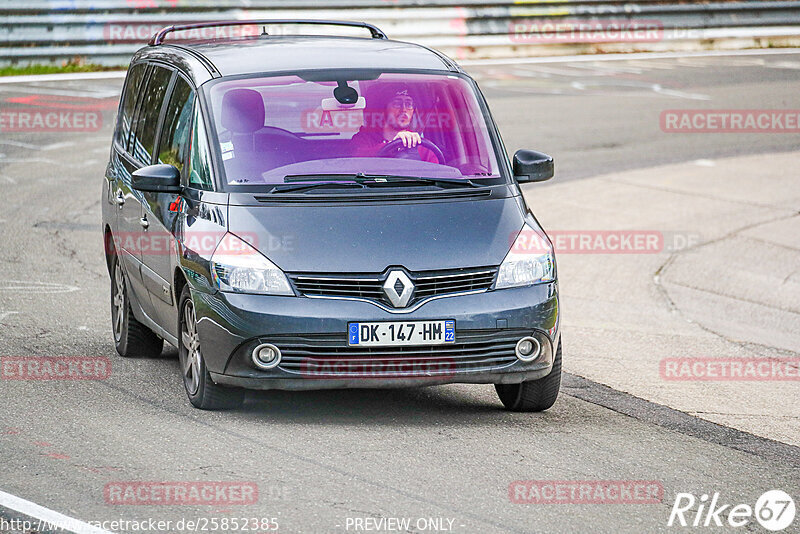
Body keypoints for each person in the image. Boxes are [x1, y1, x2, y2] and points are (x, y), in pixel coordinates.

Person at [350, 87, 439, 163]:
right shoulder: (364, 140)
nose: (404, 109)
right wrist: (393, 146)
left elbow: (436, 176)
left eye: (408, 104)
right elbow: (355, 161)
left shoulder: (423, 146)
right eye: (397, 104)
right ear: (383, 108)